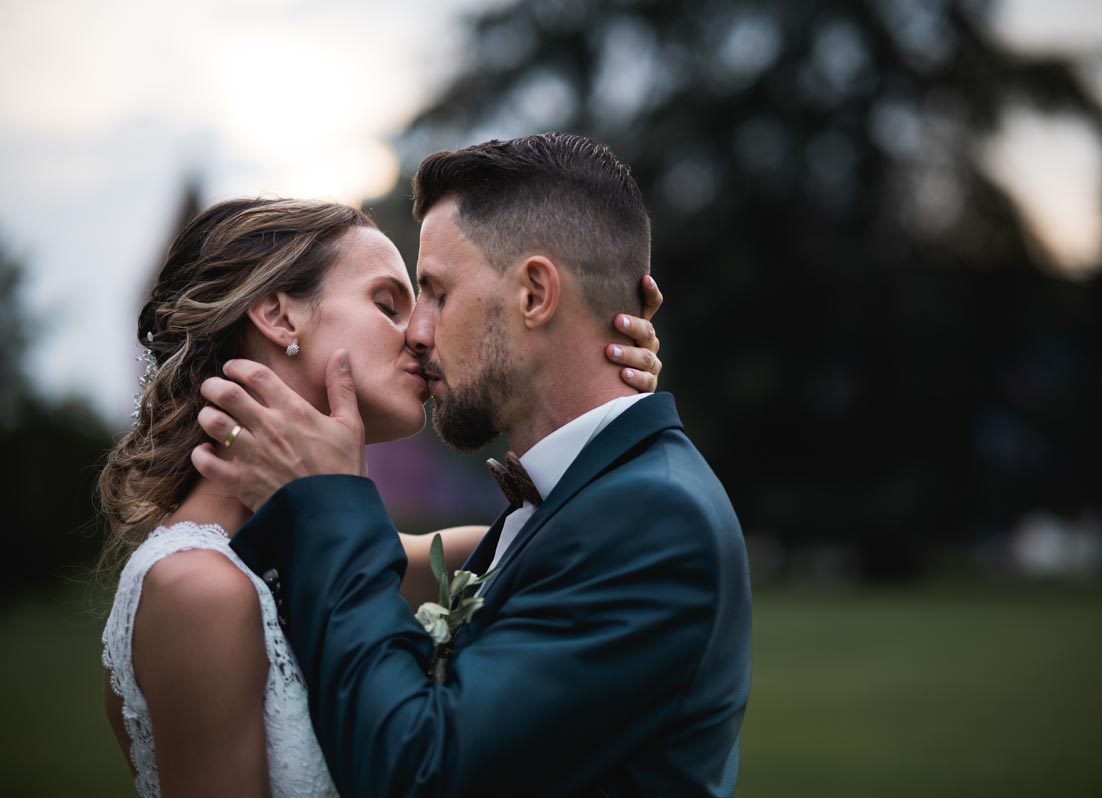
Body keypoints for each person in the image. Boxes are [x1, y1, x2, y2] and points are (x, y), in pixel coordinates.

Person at [193, 133, 752, 798]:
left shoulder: (652, 518)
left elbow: (418, 772)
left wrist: (330, 496)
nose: (417, 333)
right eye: (396, 302)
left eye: (434, 292)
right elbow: (393, 565)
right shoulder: (576, 501)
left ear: (535, 295)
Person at [97, 196, 664, 797]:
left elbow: (555, 545)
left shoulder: (322, 556)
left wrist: (600, 386)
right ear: (280, 317)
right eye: (388, 304)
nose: (422, 335)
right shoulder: (198, 588)